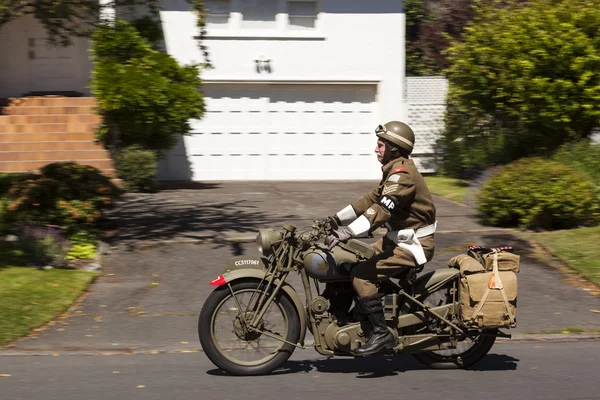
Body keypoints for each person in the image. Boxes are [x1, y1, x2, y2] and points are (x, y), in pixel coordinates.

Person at [325, 121, 437, 357]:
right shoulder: (393, 171)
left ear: (394, 148)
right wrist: (335, 220)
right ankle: (352, 316)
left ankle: (380, 332)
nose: (376, 149)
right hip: (397, 239)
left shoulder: (403, 176)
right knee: (350, 261)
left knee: (361, 276)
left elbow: (381, 210)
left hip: (413, 244)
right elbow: (368, 201)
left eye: (380, 145)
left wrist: (347, 232)